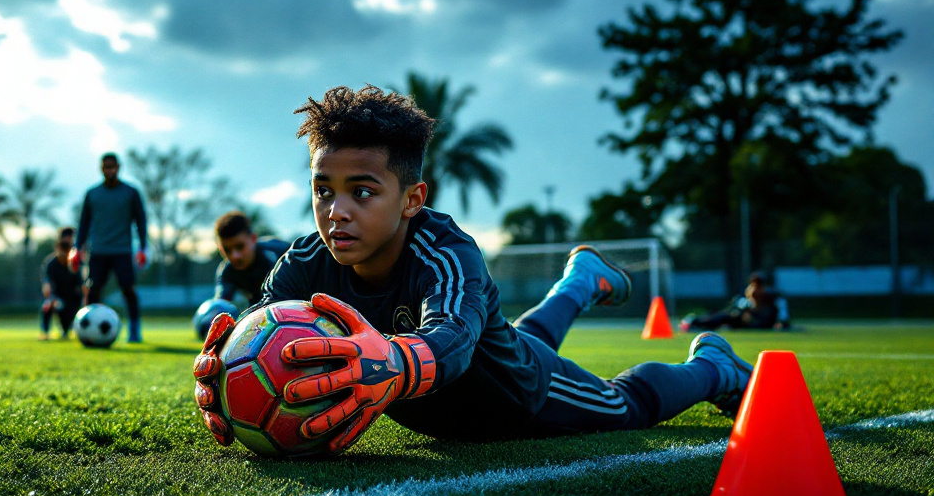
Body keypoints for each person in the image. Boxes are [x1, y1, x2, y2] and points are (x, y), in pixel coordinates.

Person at [193, 85, 754, 454]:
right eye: (323, 190)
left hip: (516, 396)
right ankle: (581, 280)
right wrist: (228, 371)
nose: (336, 211)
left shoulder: (445, 250)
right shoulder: (306, 261)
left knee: (624, 405)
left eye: (362, 191)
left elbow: (456, 341)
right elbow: (262, 323)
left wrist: (392, 360)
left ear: (413, 199)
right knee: (513, 336)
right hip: (481, 373)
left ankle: (711, 365)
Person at [71, 152, 149, 343]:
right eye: (106, 167)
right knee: (93, 289)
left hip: (123, 250)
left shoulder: (130, 192)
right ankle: (88, 328)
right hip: (98, 251)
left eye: (113, 166)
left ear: (118, 167)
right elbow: (84, 224)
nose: (110, 170)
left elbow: (141, 220)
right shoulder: (92, 194)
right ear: (101, 169)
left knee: (128, 289)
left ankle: (134, 330)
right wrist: (76, 248)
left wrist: (143, 246)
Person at [213, 210, 292, 307]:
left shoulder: (277, 255)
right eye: (227, 250)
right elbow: (220, 304)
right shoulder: (226, 271)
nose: (234, 256)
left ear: (253, 238)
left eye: (240, 247)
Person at [680, 272, 791, 332]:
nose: (755, 290)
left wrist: (780, 324)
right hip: (746, 325)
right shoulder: (744, 302)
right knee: (723, 316)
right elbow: (729, 313)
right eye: (753, 286)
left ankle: (696, 323)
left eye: (758, 286)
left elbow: (782, 319)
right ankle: (696, 323)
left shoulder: (775, 300)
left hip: (760, 326)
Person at [40, 227, 83, 340]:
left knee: (71, 310)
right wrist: (48, 291)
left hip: (75, 299)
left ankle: (69, 331)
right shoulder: (51, 264)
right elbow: (47, 282)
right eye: (63, 246)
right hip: (58, 298)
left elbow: (84, 284)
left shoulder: (78, 263)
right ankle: (45, 332)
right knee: (48, 305)